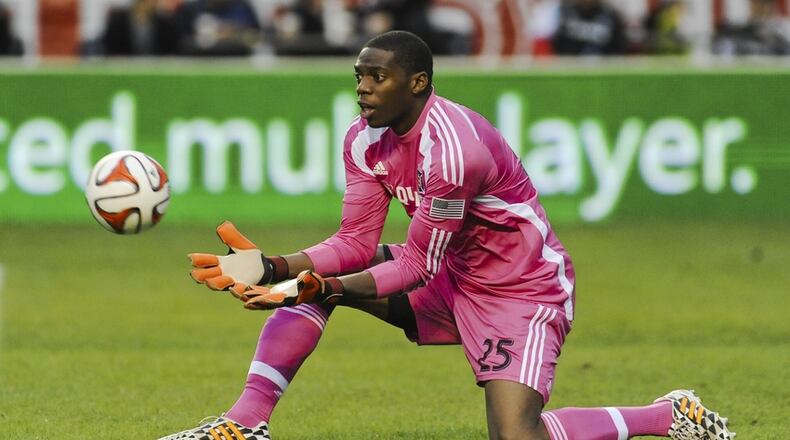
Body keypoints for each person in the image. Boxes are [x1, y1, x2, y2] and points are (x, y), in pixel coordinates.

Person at [158, 31, 735, 440]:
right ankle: (246, 421)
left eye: (376, 77)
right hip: (455, 278)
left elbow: (414, 265)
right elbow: (355, 242)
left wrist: (322, 286)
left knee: (517, 436)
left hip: (522, 291)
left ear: (418, 82)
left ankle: (665, 415)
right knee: (320, 283)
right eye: (358, 76)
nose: (362, 89)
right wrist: (276, 267)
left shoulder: (454, 151)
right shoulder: (364, 139)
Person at [551, 0, 627, 56]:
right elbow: (558, 44)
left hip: (604, 67)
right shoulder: (566, 13)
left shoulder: (610, 15)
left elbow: (619, 47)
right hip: (572, 66)